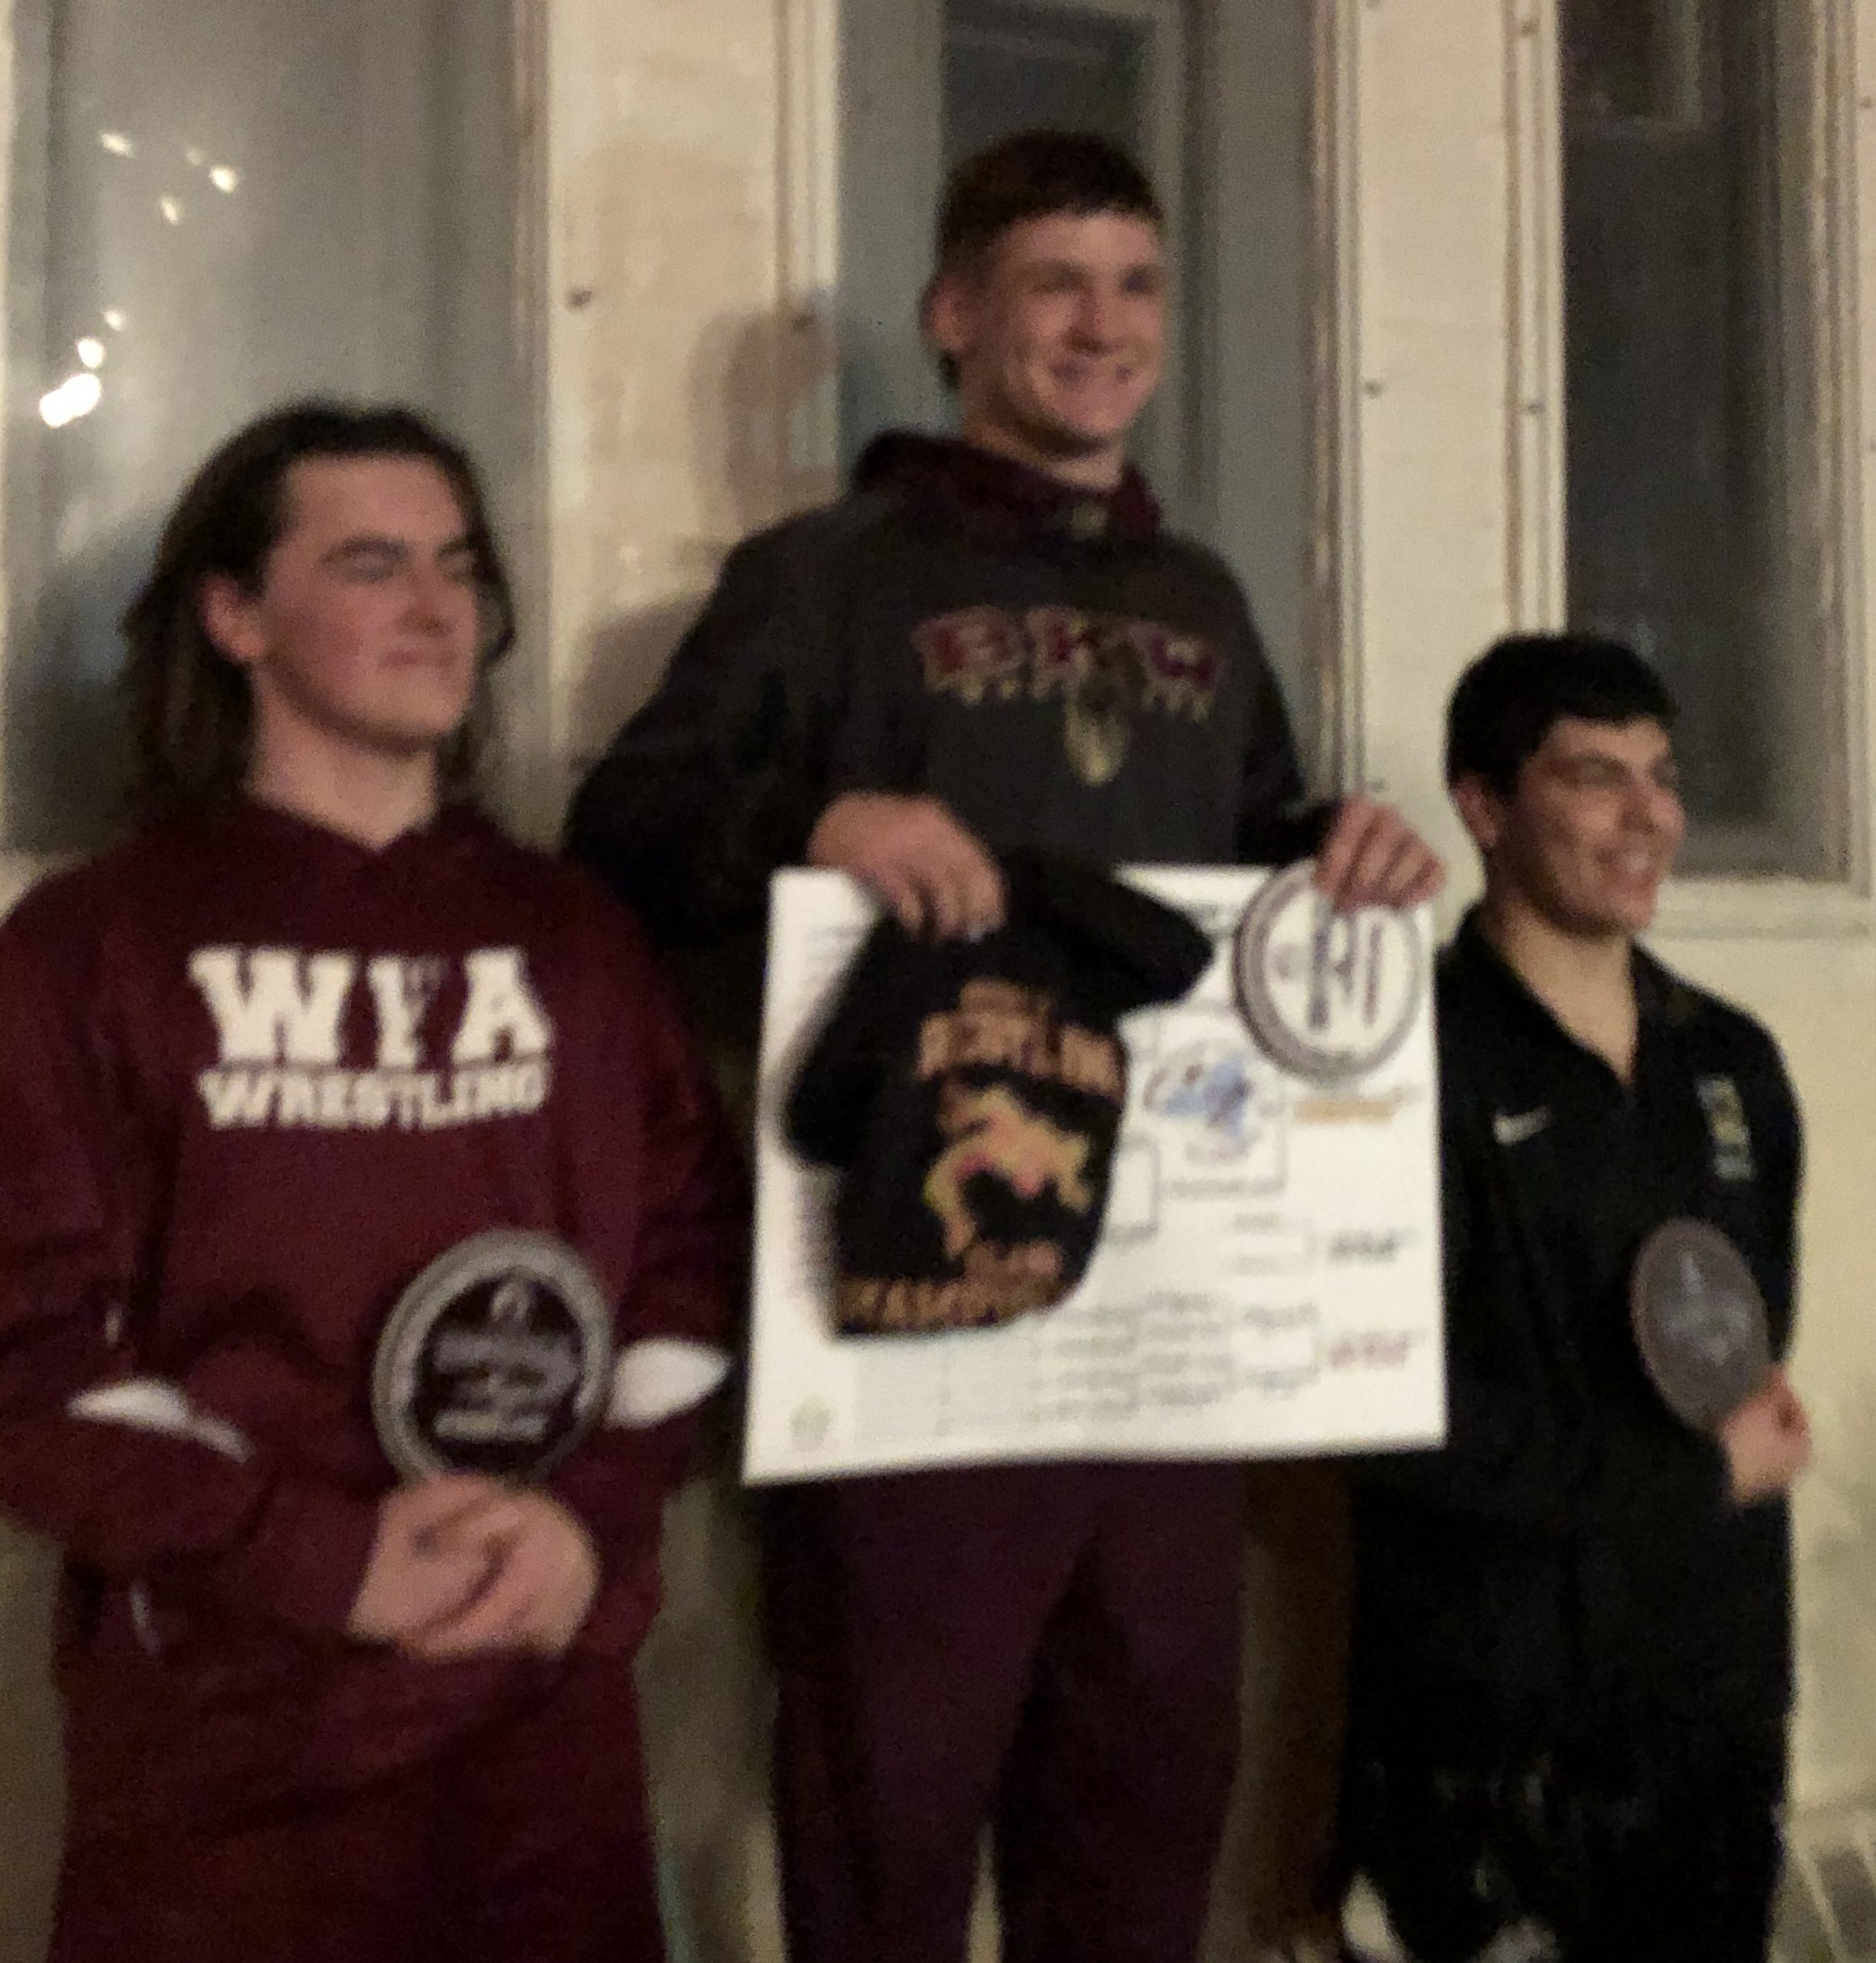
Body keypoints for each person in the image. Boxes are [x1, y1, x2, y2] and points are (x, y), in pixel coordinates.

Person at [568, 128, 1443, 1963]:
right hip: (909, 1311)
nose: (1100, 323)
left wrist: (1333, 852)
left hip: (1176, 1316)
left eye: (1134, 285)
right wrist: (814, 823)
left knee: (1138, 1821)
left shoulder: (1199, 600)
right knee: (883, 1825)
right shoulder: (824, 575)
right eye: (1053, 281)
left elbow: (1250, 865)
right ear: (953, 315)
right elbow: (622, 826)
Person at [0, 401, 742, 1963]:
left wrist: (585, 1529)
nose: (433, 605)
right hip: (233, 1742)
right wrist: (317, 1558)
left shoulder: (573, 937)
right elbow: (23, 1345)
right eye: (369, 562)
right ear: (233, 613)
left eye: (458, 566)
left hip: (543, 1736)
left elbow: (686, 1266)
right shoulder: (93, 946)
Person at [1340, 634, 1811, 1963]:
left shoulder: (1730, 1062)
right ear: (1482, 807)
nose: (1645, 816)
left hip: (1709, 1695)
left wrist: (1717, 1479)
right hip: (1485, 1729)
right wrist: (1677, 1482)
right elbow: (1385, 1415)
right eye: (1593, 778)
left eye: (1658, 778)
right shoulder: (1392, 1062)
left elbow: (1736, 1349)